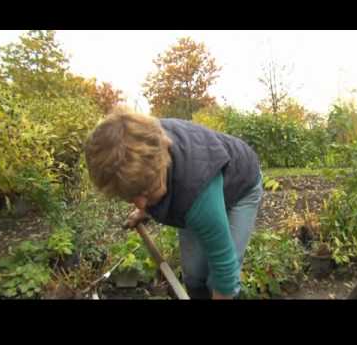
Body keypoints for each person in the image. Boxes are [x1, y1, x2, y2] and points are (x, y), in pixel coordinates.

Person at [84, 108, 263, 300]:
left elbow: (224, 268)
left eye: (147, 191)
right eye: (132, 196)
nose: (141, 202)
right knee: (194, 275)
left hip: (241, 185)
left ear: (164, 162)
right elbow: (141, 182)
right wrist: (143, 209)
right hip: (202, 190)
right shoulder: (141, 142)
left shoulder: (195, 191)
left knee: (217, 280)